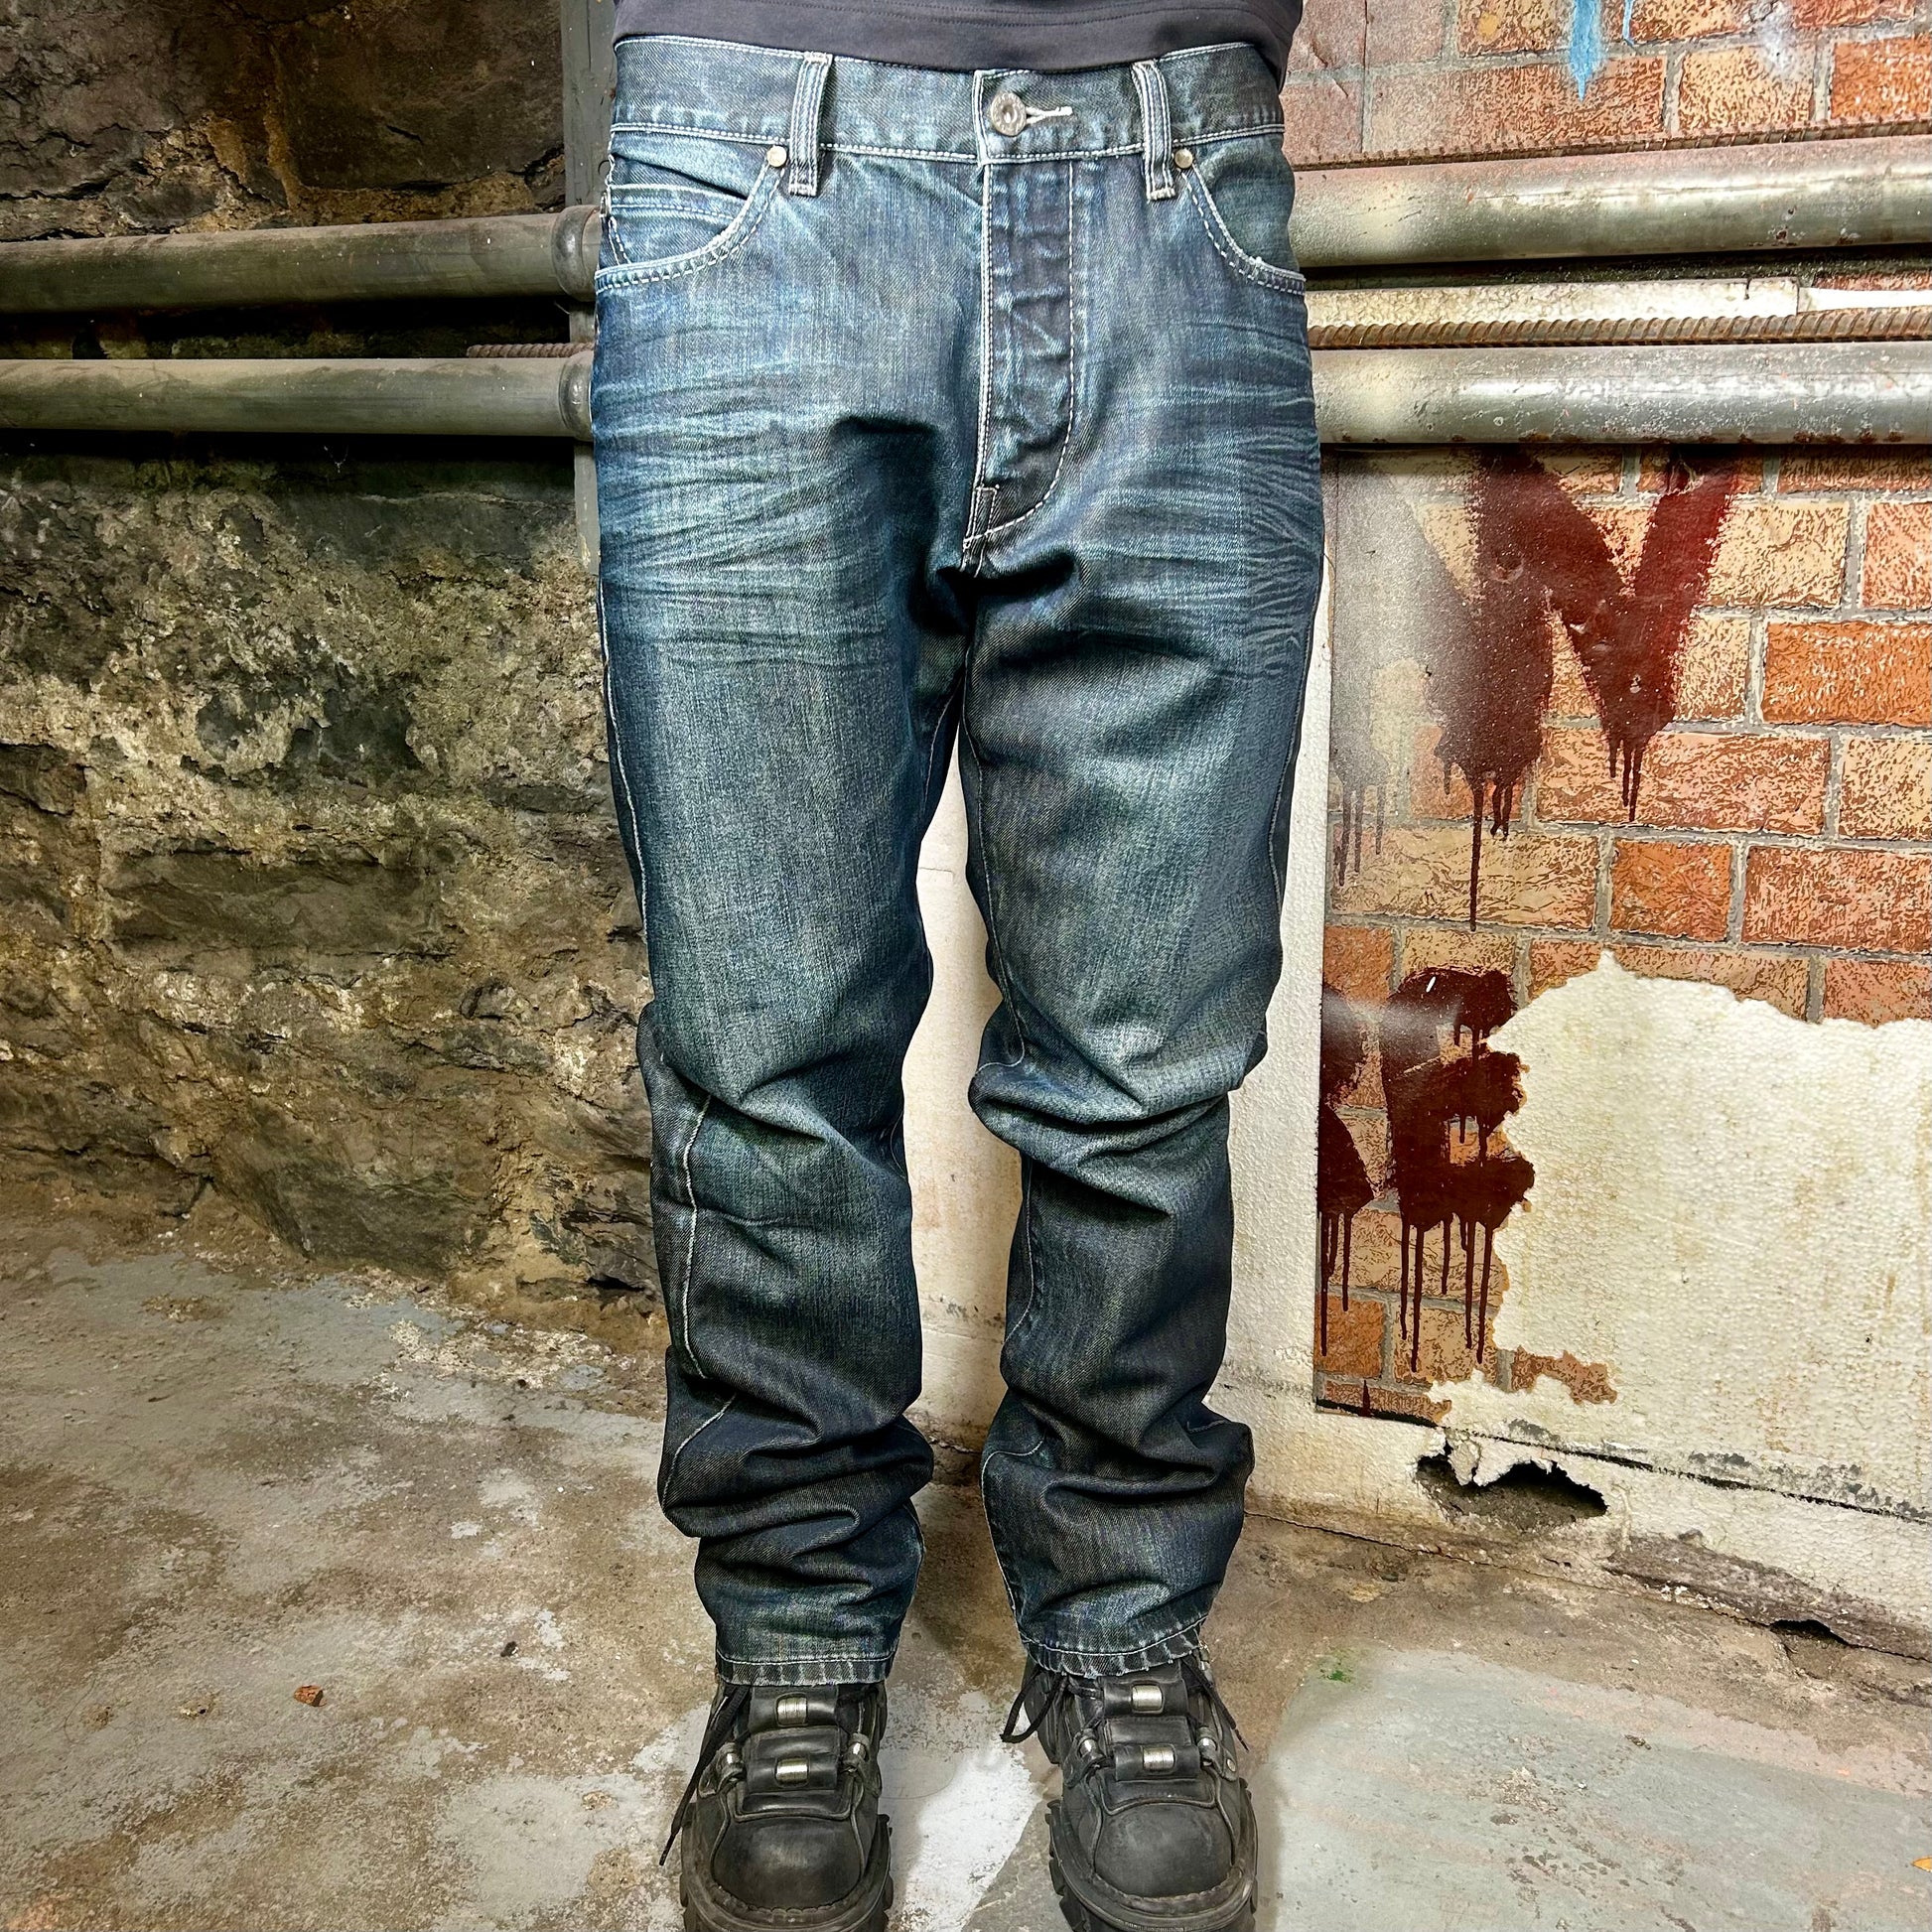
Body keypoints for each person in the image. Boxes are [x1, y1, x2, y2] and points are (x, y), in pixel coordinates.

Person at [590, 4, 1317, 1925]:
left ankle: (1122, 1625)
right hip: (747, 174)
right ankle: (797, 1643)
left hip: (1181, 188)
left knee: (1146, 1054)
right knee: (761, 1045)